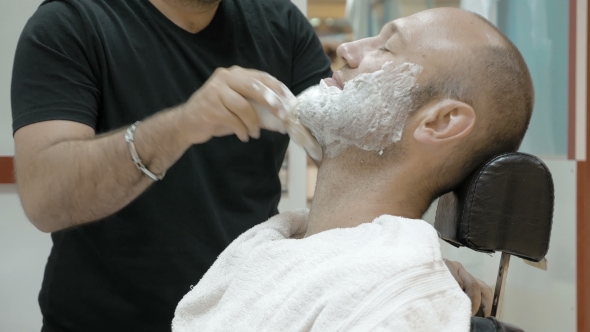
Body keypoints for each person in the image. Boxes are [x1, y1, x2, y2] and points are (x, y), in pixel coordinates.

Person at [11, 0, 491, 331]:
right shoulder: (71, 23)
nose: (345, 53)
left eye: (385, 47)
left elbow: (360, 147)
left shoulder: (277, 24)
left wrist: (403, 255)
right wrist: (180, 126)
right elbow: (44, 198)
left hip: (246, 309)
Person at [172, 7, 533, 332]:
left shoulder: (398, 303)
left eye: (387, 48)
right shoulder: (270, 248)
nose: (346, 50)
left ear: (441, 122)